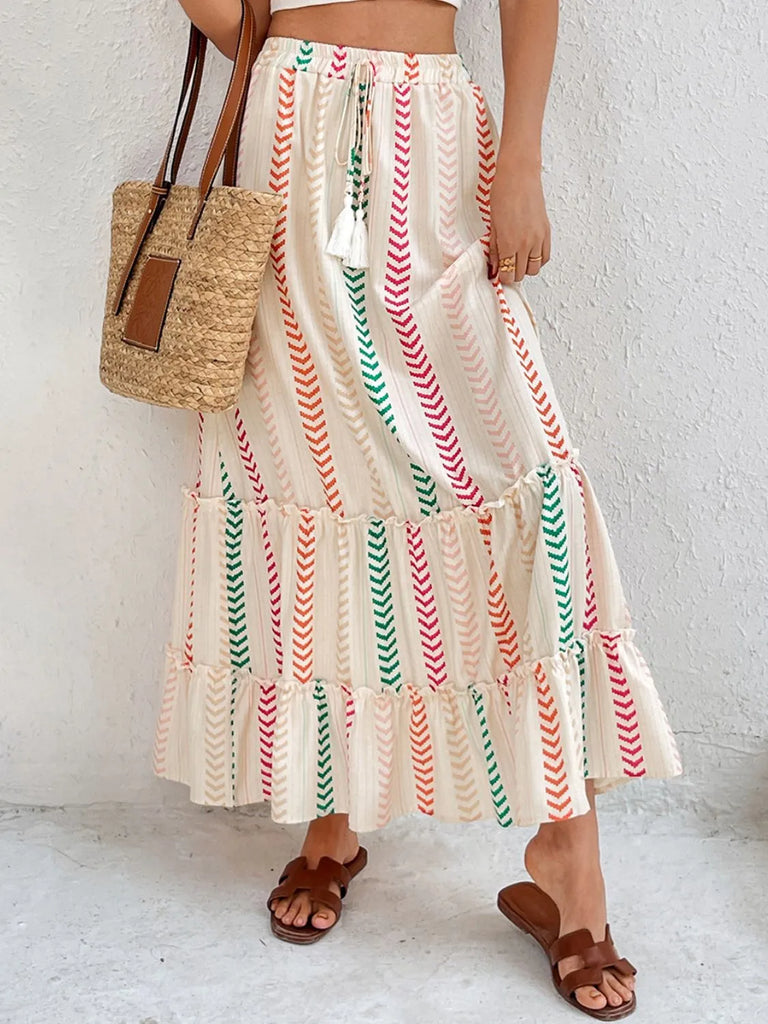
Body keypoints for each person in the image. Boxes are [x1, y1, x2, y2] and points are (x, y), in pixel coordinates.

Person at [154, 0, 683, 1016]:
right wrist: (297, 60)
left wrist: (521, 159)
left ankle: (568, 853)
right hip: (289, 136)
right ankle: (332, 814)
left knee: (521, 476)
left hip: (434, 137)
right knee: (313, 482)